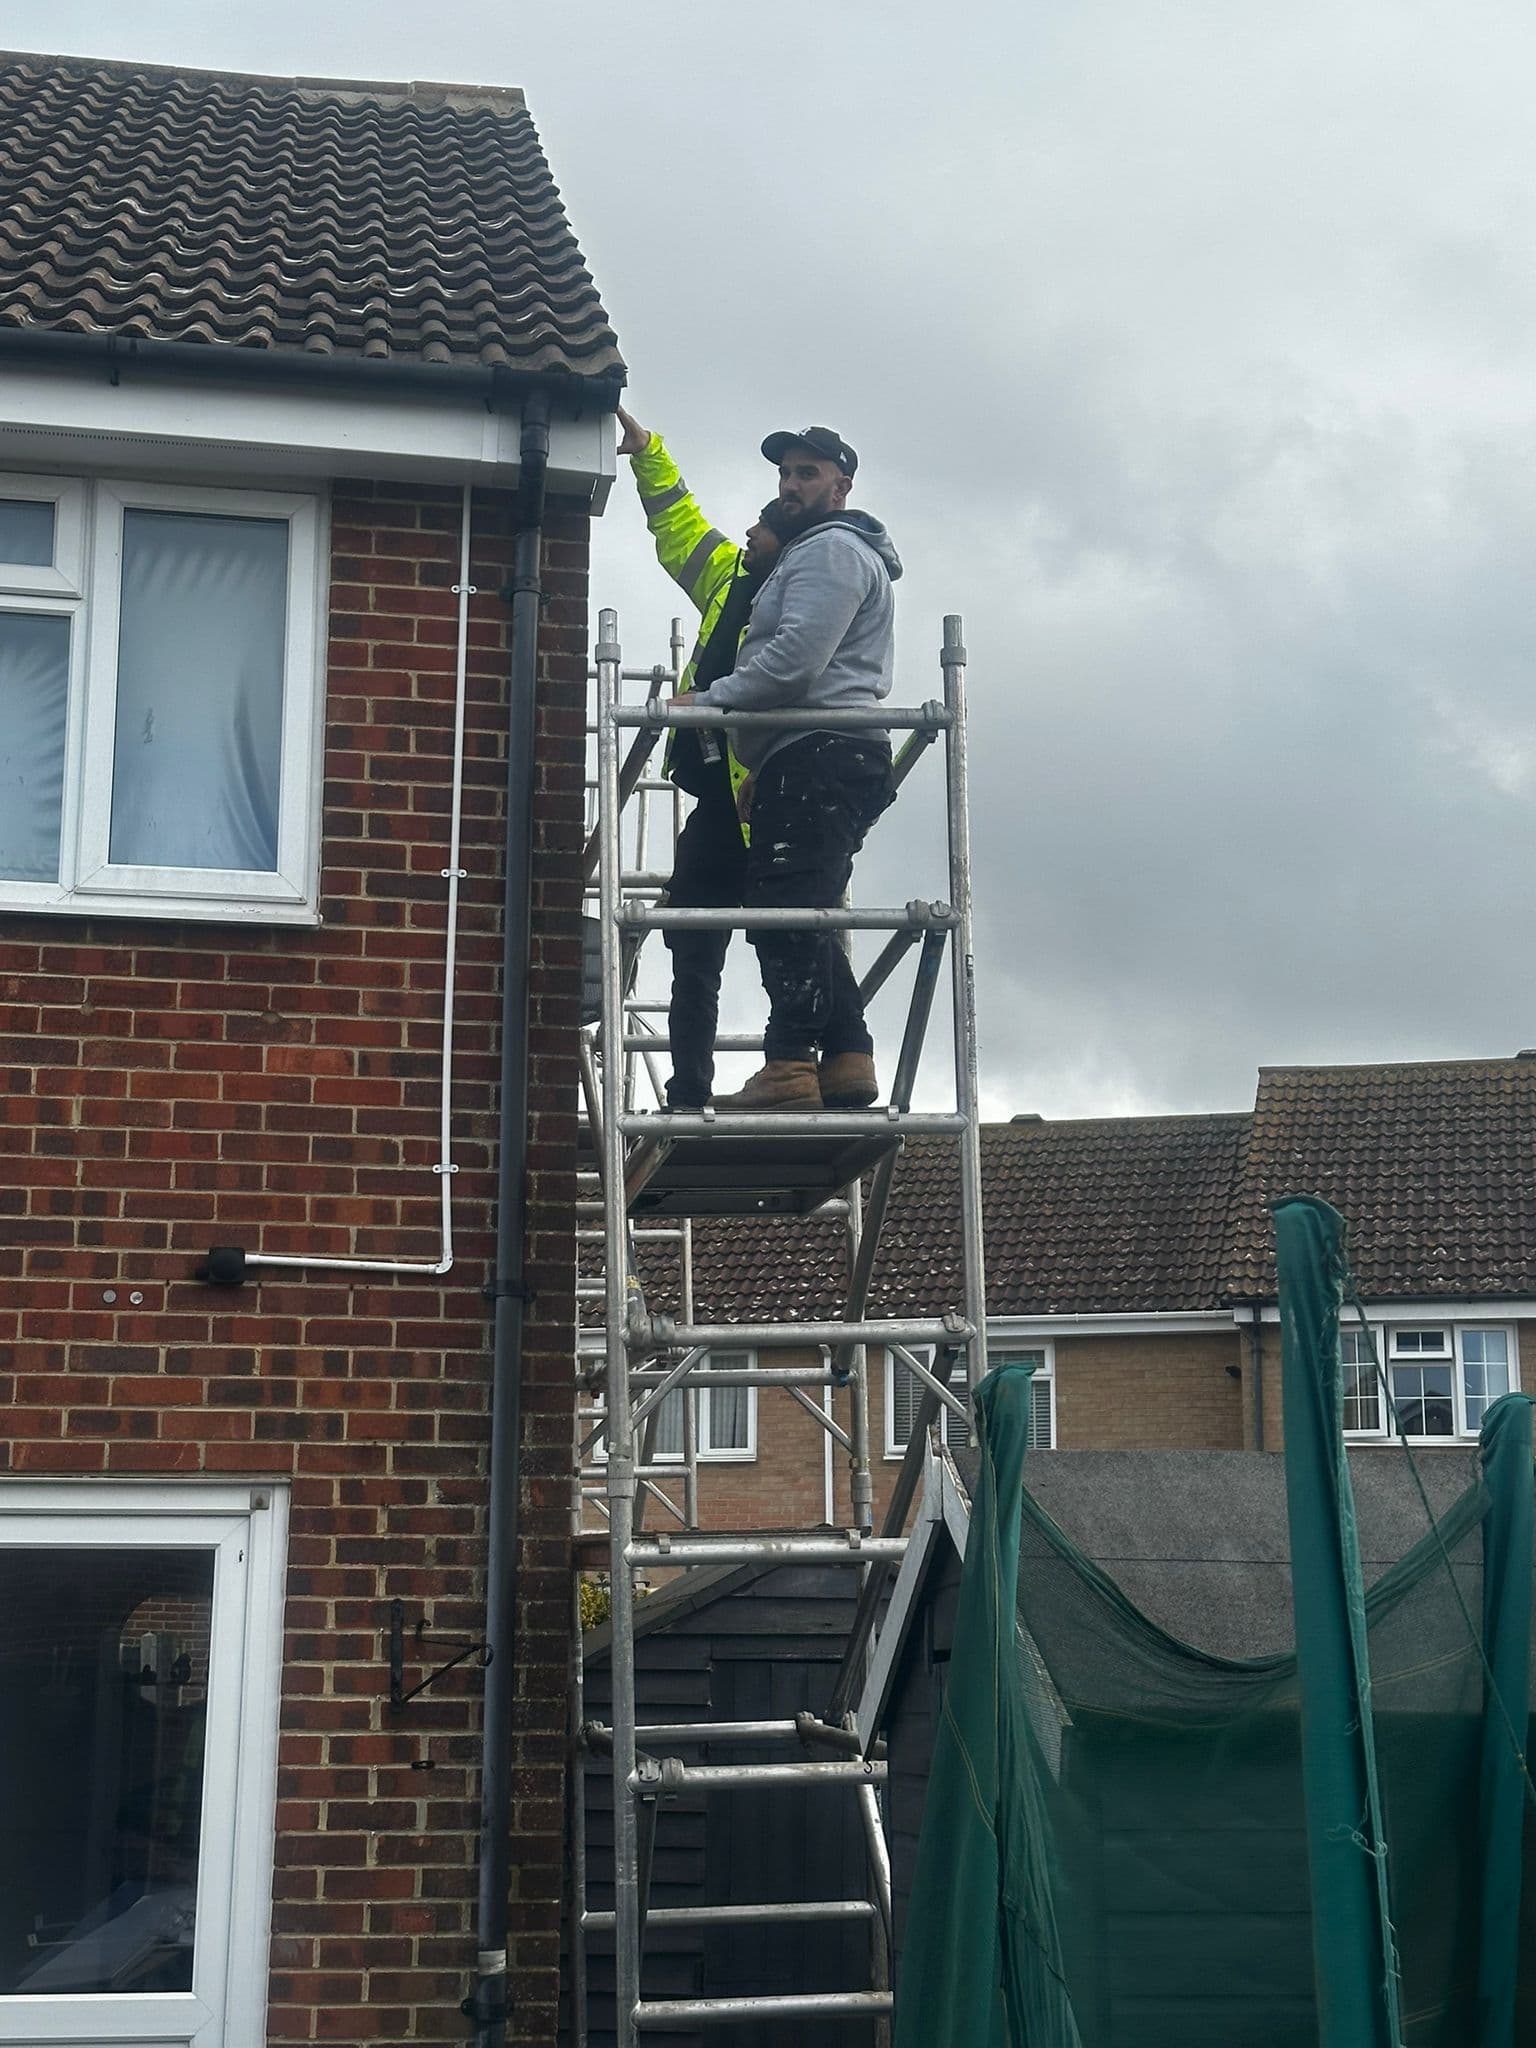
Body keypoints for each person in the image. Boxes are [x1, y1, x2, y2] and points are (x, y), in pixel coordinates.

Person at [691, 426, 900, 1113]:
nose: (789, 485)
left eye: (807, 473)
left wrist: (710, 702)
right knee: (800, 902)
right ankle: (846, 1055)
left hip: (822, 752)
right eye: (786, 473)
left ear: (841, 486)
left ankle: (788, 1064)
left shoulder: (831, 552)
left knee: (784, 909)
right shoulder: (819, 553)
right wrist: (767, 753)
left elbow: (794, 663)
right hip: (813, 750)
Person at [616, 405, 795, 1109]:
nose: (747, 530)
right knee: (693, 945)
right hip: (719, 801)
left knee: (788, 940)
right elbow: (678, 524)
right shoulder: (729, 572)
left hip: (770, 796)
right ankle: (689, 1091)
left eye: (762, 525)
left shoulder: (800, 595)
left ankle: (806, 1068)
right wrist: (647, 451)